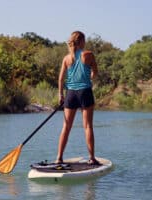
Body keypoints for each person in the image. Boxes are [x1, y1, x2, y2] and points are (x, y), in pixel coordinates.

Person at [56, 31, 99, 165]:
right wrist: (90, 76)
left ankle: (59, 158)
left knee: (66, 127)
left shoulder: (67, 58)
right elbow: (95, 72)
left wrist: (60, 95)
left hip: (71, 94)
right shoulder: (89, 55)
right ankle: (92, 158)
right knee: (87, 126)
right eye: (84, 41)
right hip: (85, 92)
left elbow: (61, 79)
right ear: (81, 42)